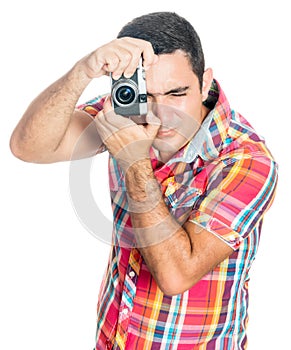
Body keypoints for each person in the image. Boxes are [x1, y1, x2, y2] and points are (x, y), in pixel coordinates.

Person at [10, 11, 278, 350]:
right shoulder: (126, 114)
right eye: (145, 96)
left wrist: (135, 162)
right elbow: (28, 146)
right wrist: (82, 71)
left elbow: (176, 276)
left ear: (205, 81)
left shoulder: (247, 161)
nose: (161, 113)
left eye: (177, 93)